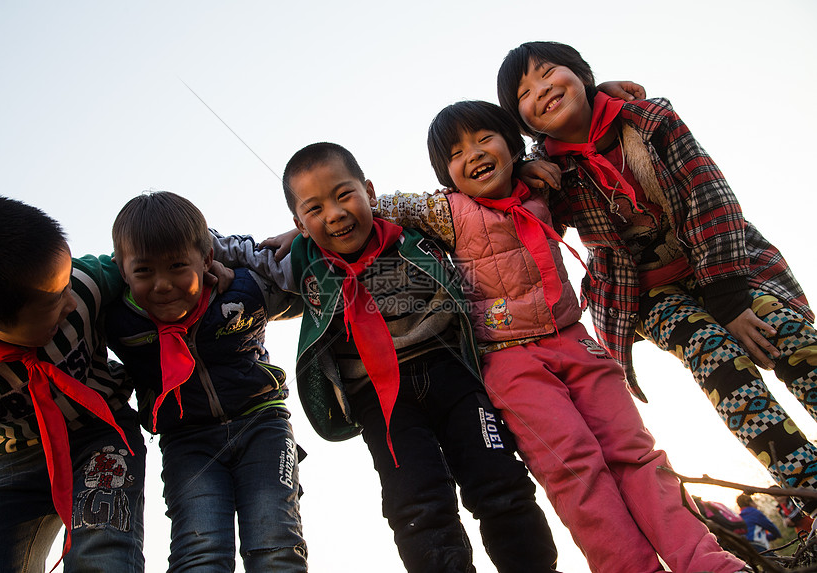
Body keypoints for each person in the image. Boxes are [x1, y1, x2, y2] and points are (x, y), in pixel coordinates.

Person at [373, 100, 745, 572]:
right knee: (575, 472)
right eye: (456, 152)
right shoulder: (447, 210)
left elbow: (576, 133)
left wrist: (602, 94)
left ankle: (707, 562)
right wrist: (303, 226)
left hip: (576, 341)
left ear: (512, 144)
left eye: (485, 138)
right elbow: (374, 206)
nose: (474, 154)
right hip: (510, 362)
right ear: (447, 174)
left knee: (637, 455)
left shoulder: (546, 186)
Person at [496, 40, 817, 507]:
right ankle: (808, 485)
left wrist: (730, 300)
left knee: (784, 334)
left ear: (582, 74)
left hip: (724, 262)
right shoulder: (554, 171)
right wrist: (526, 167)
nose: (542, 89)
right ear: (522, 121)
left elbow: (710, 196)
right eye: (525, 92)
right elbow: (521, 209)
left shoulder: (650, 120)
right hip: (647, 293)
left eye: (549, 73)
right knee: (713, 355)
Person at [270, 141, 559, 573]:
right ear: (299, 222)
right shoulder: (304, 262)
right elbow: (239, 262)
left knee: (500, 482)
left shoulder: (412, 230)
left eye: (344, 194)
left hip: (451, 374)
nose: (334, 213)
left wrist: (528, 163)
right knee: (416, 505)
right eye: (315, 209)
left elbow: (475, 199)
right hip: (379, 399)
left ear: (370, 191)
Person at [104, 191, 307, 571]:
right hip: (187, 440)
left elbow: (309, 279)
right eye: (144, 271)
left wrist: (307, 231)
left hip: (262, 424)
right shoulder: (117, 319)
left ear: (207, 260)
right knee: (201, 551)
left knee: (275, 542)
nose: (163, 285)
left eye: (178, 266)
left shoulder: (244, 290)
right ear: (122, 270)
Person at [0, 194, 146, 572]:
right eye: (56, 300)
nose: (71, 303)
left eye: (68, 285)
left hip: (101, 432)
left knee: (102, 547)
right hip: (17, 459)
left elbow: (161, 253)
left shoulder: (84, 283)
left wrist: (225, 264)